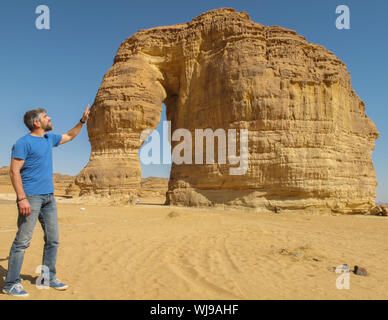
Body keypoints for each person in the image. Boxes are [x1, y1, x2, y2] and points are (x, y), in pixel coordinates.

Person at [2, 105, 90, 297]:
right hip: (31, 198)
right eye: (45, 116)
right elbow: (14, 171)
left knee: (53, 239)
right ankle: (11, 283)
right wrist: (22, 198)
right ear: (37, 122)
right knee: (22, 242)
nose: (49, 118)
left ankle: (48, 277)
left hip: (49, 198)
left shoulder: (49, 139)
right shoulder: (23, 143)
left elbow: (69, 136)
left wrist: (82, 120)